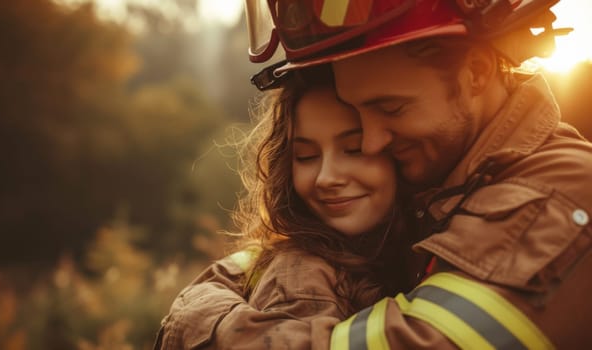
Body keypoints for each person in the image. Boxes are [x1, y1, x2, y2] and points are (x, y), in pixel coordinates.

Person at [157, 0, 592, 348]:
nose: (372, 141)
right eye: (358, 110)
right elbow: (255, 262)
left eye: (390, 108)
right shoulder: (444, 178)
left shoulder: (554, 197)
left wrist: (198, 321)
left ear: (475, 73)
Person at [155, 66, 419, 349]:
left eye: (354, 149)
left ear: (400, 150)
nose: (326, 178)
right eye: (305, 156)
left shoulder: (406, 250)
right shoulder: (301, 276)